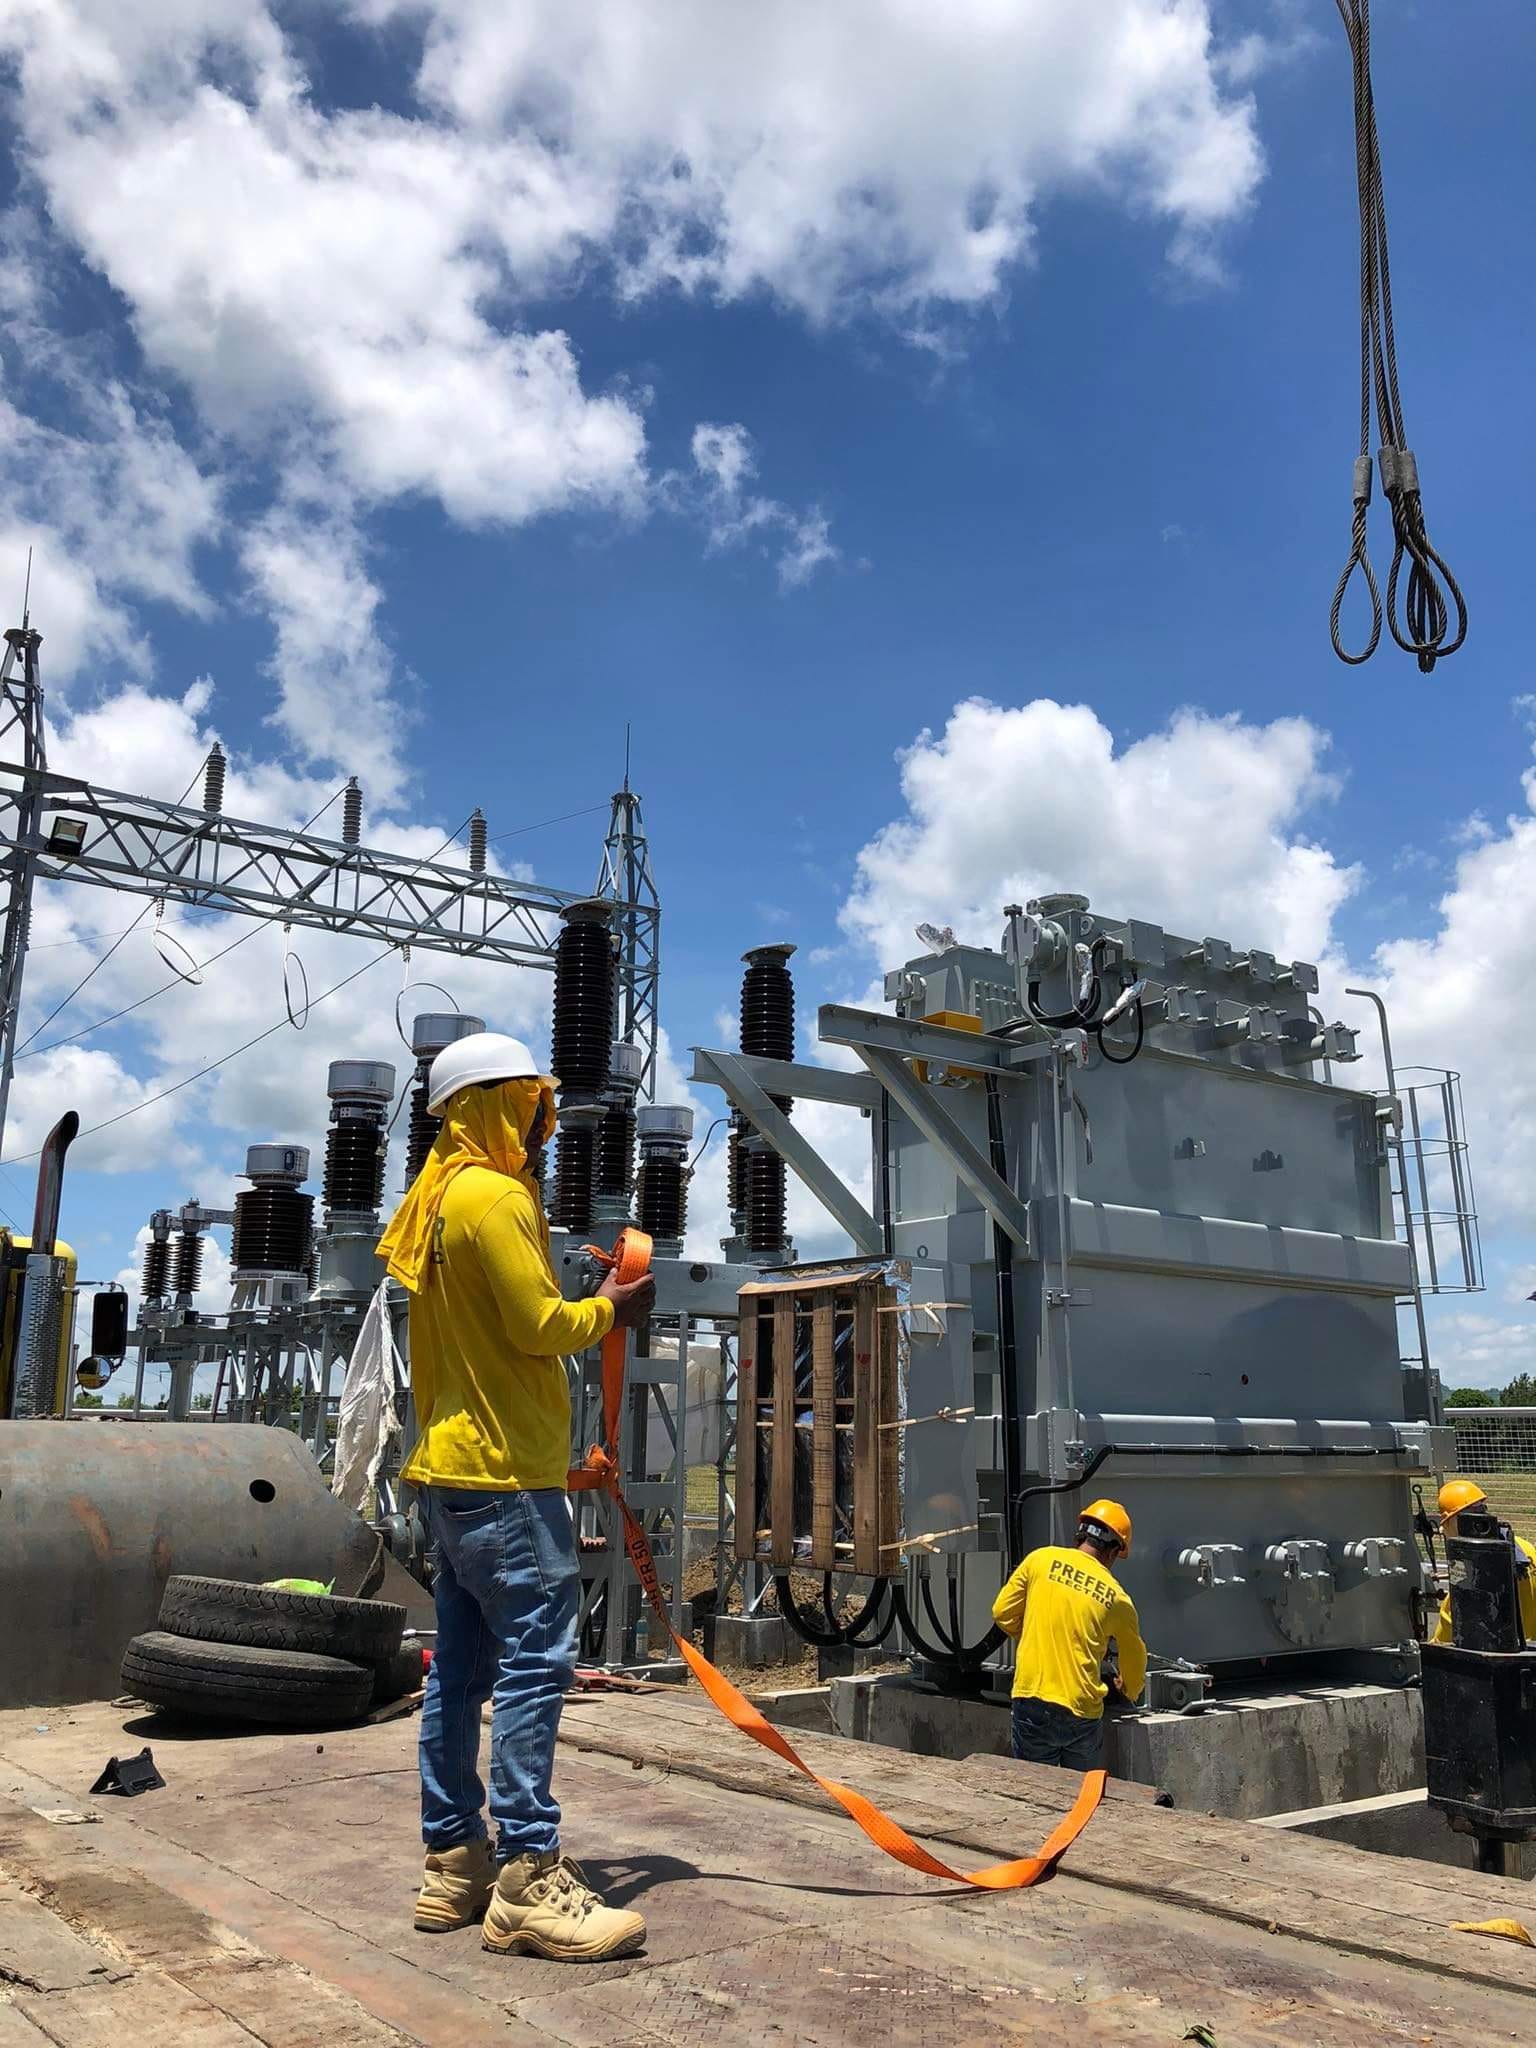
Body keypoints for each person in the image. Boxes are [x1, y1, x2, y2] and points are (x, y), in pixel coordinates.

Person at [377, 1032, 656, 1963]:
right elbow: (541, 1328)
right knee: (537, 1664)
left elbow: (494, 1329)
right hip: (506, 1482)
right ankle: (532, 1877)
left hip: (451, 1475)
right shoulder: (495, 1196)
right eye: (533, 1107)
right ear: (499, 1104)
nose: (542, 1126)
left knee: (457, 1674)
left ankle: (452, 1862)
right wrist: (615, 1303)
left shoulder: (434, 1200)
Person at [991, 1499, 1147, 1770]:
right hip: (1081, 1711)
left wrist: (1037, 1637)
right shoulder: (1118, 1598)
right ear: (1112, 1551)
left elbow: (1002, 1612)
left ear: (1081, 1535)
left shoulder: (1040, 1560)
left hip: (1033, 1699)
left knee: (1035, 1794)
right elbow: (1135, 1656)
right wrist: (1129, 1688)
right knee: (1081, 1798)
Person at [1431, 1478, 1536, 1644]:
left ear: (1451, 1522)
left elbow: (1444, 1641)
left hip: (1493, 1660)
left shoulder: (1467, 1571)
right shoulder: (1525, 1549)